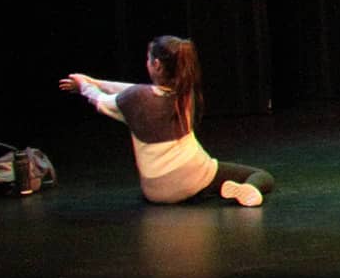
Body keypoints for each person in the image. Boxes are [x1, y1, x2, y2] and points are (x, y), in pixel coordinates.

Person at [61, 35, 275, 206]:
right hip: (194, 176)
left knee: (201, 181)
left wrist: (84, 86)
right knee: (261, 175)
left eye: (147, 59)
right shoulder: (185, 92)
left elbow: (102, 100)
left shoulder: (136, 98)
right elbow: (131, 91)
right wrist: (93, 82)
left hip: (156, 191)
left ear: (156, 64)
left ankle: (208, 192)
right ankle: (250, 189)